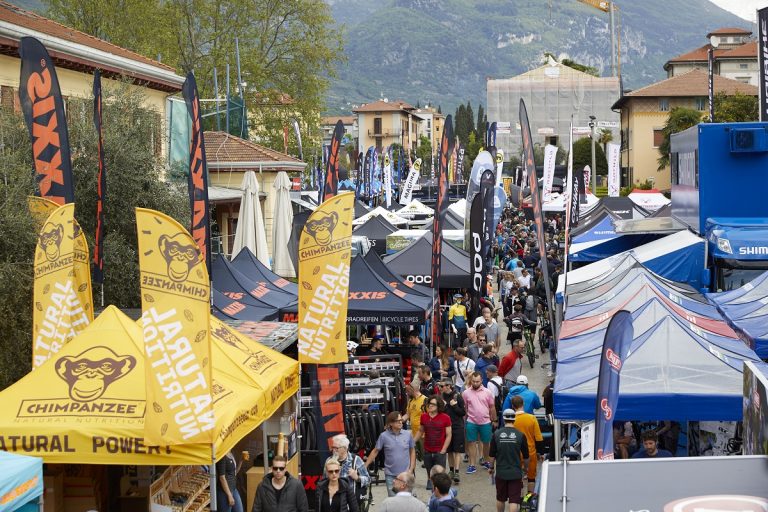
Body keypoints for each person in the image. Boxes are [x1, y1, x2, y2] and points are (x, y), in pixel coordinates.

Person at [487, 409, 529, 512]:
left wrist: (491, 467)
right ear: (514, 419)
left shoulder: (496, 434)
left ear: (503, 419)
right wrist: (525, 469)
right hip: (515, 472)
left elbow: (491, 455)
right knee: (514, 501)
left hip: (501, 472)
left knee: (500, 498)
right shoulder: (520, 435)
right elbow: (526, 456)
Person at [365, 412, 416, 497]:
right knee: (393, 499)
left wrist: (411, 469)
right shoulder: (384, 436)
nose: (400, 422)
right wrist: (365, 465)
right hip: (391, 475)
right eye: (397, 421)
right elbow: (375, 451)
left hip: (406, 474)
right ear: (391, 423)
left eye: (401, 420)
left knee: (407, 499)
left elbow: (412, 450)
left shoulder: (408, 434)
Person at [462, 372, 497, 474]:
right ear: (471, 381)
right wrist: (465, 419)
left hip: (485, 421)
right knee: (471, 443)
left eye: (477, 381)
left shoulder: (488, 392)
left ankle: (486, 461)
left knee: (486, 443)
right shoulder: (466, 393)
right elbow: (465, 407)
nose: (475, 383)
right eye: (473, 381)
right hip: (471, 421)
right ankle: (472, 464)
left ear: (481, 381)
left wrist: (494, 420)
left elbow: (492, 407)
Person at [414, 395, 452, 490]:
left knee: (440, 472)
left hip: (439, 450)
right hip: (427, 449)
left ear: (438, 406)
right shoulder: (424, 416)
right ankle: (429, 480)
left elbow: (449, 435)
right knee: (428, 468)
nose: (430, 406)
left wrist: (444, 449)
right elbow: (420, 431)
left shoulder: (445, 417)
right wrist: (412, 441)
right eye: (429, 403)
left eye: (433, 404)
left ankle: (442, 487)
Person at [509, 396, 544, 493]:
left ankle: (517, 497)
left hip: (515, 452)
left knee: (517, 477)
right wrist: (540, 453)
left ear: (512, 406)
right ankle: (529, 499)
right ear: (523, 404)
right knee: (531, 477)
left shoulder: (511, 420)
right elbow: (538, 437)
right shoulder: (532, 418)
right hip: (530, 452)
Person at [439, 380, 466, 483]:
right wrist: (445, 406)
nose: (441, 388)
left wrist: (454, 406)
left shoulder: (457, 396)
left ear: (448, 386)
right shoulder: (441, 397)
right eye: (440, 386)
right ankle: (451, 470)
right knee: (449, 450)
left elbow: (462, 413)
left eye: (442, 386)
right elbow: (440, 412)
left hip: (457, 426)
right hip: (446, 427)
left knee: (457, 451)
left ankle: (457, 471)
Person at [405, 383, 426, 462]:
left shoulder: (424, 400)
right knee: (420, 457)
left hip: (423, 433)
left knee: (425, 457)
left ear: (413, 389)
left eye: (408, 391)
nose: (407, 393)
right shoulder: (411, 401)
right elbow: (407, 414)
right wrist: (398, 421)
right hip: (414, 433)